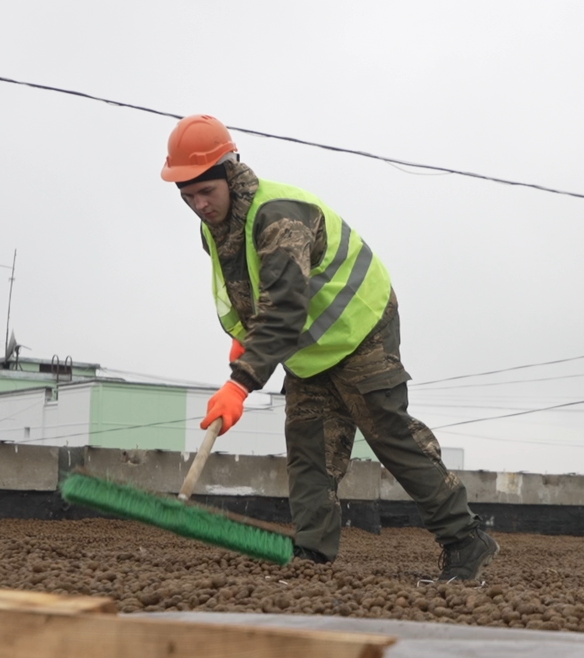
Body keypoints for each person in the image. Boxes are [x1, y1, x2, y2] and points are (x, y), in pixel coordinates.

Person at [161, 113, 499, 581]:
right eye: (188, 196)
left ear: (231, 173)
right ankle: (313, 557)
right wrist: (244, 341)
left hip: (359, 326)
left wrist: (240, 385)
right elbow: (250, 291)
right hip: (310, 348)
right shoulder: (215, 230)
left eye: (206, 192)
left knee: (387, 431)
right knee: (309, 444)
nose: (199, 204)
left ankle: (465, 538)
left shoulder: (278, 217)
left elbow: (283, 309)